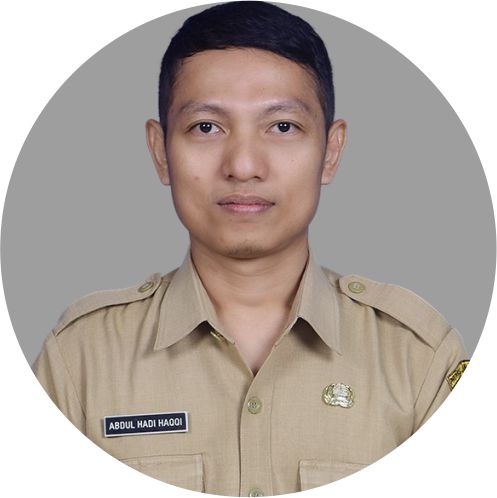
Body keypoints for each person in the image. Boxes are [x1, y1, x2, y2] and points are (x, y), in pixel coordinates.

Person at [33, 1, 469, 496]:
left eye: (282, 126)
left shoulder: (418, 358)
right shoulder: (79, 360)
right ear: (160, 152)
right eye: (206, 127)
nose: (243, 166)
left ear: (330, 152)